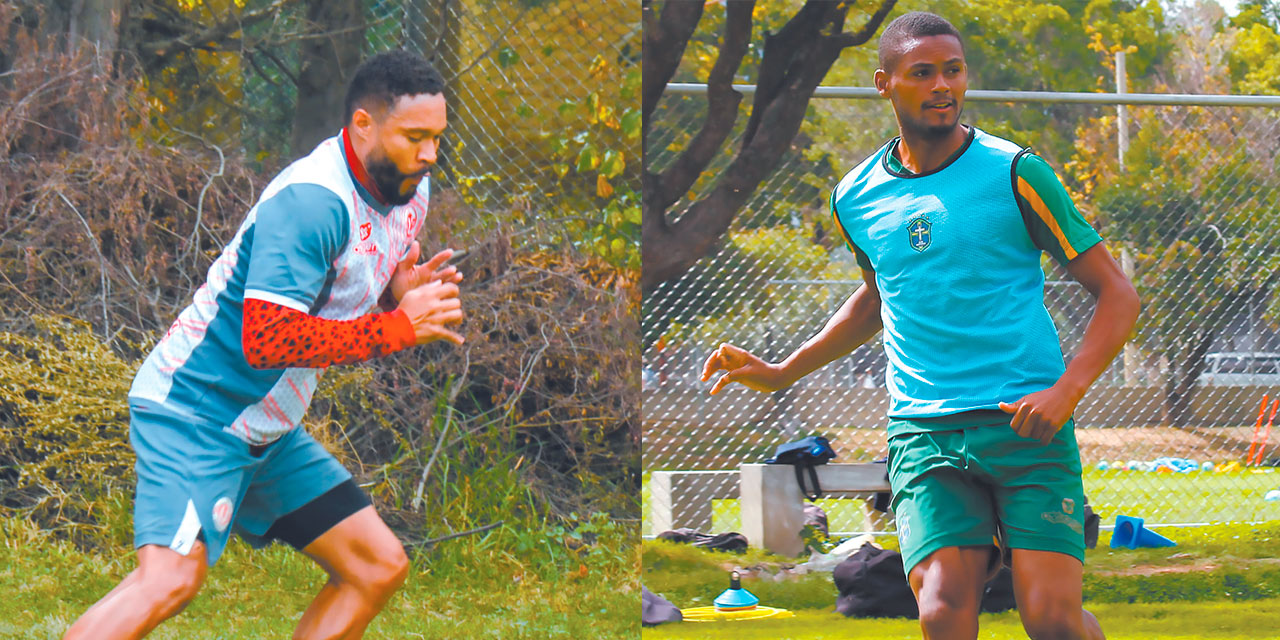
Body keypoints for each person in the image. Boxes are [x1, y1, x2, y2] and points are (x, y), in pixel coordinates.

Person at [701, 12, 1139, 640]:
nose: (943, 86)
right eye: (923, 73)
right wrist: (780, 372)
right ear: (886, 84)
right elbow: (878, 297)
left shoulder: (1015, 172)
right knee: (939, 611)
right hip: (924, 432)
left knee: (1052, 621)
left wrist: (1064, 393)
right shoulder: (855, 196)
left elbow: (1117, 295)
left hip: (1025, 424)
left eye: (953, 71)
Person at [64, 50, 464, 640]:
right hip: (198, 412)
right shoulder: (311, 204)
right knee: (169, 579)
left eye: (437, 138)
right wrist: (397, 327)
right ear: (362, 125)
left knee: (376, 566)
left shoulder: (406, 187)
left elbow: (350, 282)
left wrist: (395, 291)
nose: (429, 155)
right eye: (414, 137)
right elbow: (267, 339)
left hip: (264, 431)